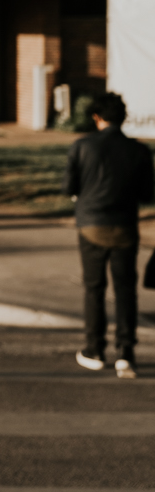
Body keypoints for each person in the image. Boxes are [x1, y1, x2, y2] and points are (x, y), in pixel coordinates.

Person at [66, 90, 154, 378]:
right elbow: (146, 193)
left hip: (90, 226)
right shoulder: (140, 151)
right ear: (123, 118)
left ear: (96, 117)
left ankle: (94, 349)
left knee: (94, 288)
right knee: (125, 290)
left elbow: (70, 188)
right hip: (125, 227)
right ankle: (125, 353)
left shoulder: (81, 146)